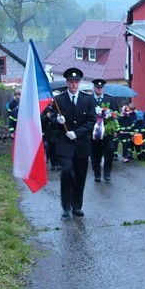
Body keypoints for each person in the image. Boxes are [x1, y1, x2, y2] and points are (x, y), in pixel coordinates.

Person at [51, 67, 96, 218]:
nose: (74, 84)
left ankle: (77, 205)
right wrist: (57, 120)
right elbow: (52, 119)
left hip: (81, 143)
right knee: (66, 171)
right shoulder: (59, 100)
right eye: (71, 82)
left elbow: (91, 121)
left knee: (80, 175)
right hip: (64, 143)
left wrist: (76, 133)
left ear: (79, 83)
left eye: (76, 82)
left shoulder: (88, 99)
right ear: (67, 83)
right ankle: (66, 206)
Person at [89, 78, 119, 182]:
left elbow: (116, 114)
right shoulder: (89, 99)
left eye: (101, 88)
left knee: (109, 151)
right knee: (95, 153)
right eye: (97, 87)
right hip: (94, 132)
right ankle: (97, 174)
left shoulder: (110, 99)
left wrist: (115, 129)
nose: (99, 89)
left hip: (107, 131)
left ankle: (107, 174)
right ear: (94, 88)